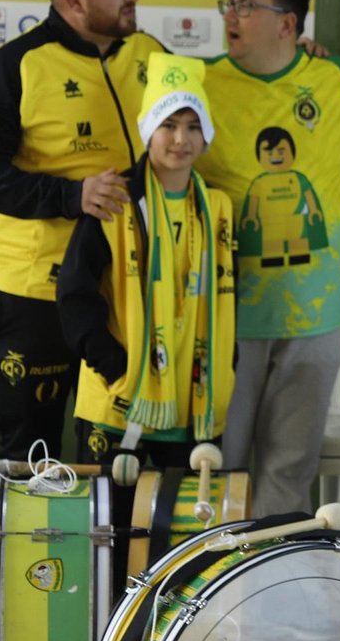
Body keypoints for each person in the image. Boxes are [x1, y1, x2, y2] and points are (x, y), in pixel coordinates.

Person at [196, 0, 340, 516]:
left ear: (287, 24)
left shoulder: (337, 80)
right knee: (220, 465)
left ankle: (277, 588)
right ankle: (217, 590)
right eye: (229, 3)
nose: (231, 15)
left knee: (290, 466)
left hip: (317, 314)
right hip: (227, 315)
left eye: (247, 6)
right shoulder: (200, 83)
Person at [0, 0, 162, 458]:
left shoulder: (152, 54)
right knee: (31, 455)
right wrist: (71, 195)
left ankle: (112, 546)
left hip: (121, 291)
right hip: (31, 295)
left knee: (117, 454)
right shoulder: (11, 68)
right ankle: (32, 544)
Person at [58, 54, 236, 468]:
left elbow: (229, 295)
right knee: (108, 530)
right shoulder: (114, 199)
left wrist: (226, 367)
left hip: (191, 408)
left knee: (184, 528)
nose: (180, 140)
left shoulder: (217, 209)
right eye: (169, 125)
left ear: (206, 136)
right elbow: (74, 293)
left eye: (193, 127)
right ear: (148, 131)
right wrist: (117, 368)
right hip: (117, 403)